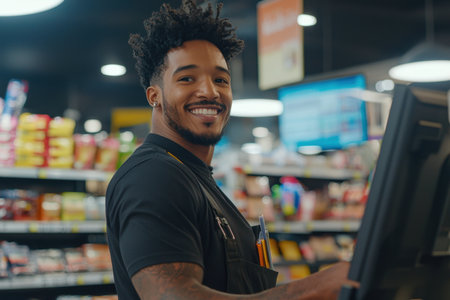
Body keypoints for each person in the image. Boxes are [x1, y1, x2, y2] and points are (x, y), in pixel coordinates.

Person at [106, 1, 358, 299]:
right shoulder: (154, 177)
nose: (210, 91)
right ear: (154, 97)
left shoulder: (195, 177)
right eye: (187, 78)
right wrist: (313, 289)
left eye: (220, 80)